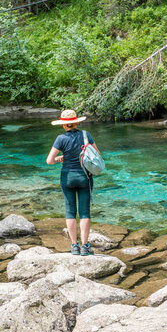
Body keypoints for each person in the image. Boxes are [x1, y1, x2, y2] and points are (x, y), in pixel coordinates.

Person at [46, 109, 101, 256]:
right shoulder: (86, 135)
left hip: (67, 178)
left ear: (64, 125)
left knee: (70, 211)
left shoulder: (60, 139)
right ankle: (85, 246)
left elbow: (49, 161)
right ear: (76, 123)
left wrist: (59, 159)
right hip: (85, 177)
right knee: (84, 212)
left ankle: (74, 246)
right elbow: (97, 155)